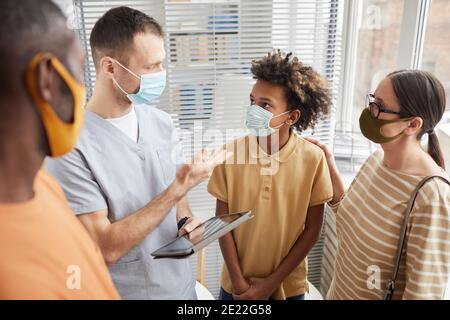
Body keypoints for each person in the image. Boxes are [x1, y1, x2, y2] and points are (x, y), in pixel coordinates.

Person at [46, 6, 229, 300]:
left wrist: (187, 223)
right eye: (150, 67)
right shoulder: (70, 148)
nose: (161, 75)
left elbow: (177, 203)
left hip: (183, 291)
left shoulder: (161, 123)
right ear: (110, 68)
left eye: (161, 64)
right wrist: (178, 188)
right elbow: (105, 248)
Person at [0, 0, 119, 299]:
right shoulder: (14, 280)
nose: (84, 88)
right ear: (48, 79)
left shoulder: (41, 185)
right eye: (79, 67)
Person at [307, 70, 450, 299]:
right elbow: (348, 218)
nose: (370, 112)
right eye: (373, 101)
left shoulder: (432, 197)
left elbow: (423, 293)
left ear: (412, 124)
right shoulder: (376, 161)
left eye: (380, 107)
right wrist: (329, 164)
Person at [207, 50, 334, 300]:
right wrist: (238, 283)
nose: (254, 109)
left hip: (288, 287)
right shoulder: (229, 153)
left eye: (265, 105)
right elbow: (221, 222)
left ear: (292, 116)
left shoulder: (312, 159)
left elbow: (312, 231)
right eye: (252, 101)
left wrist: (270, 284)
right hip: (235, 285)